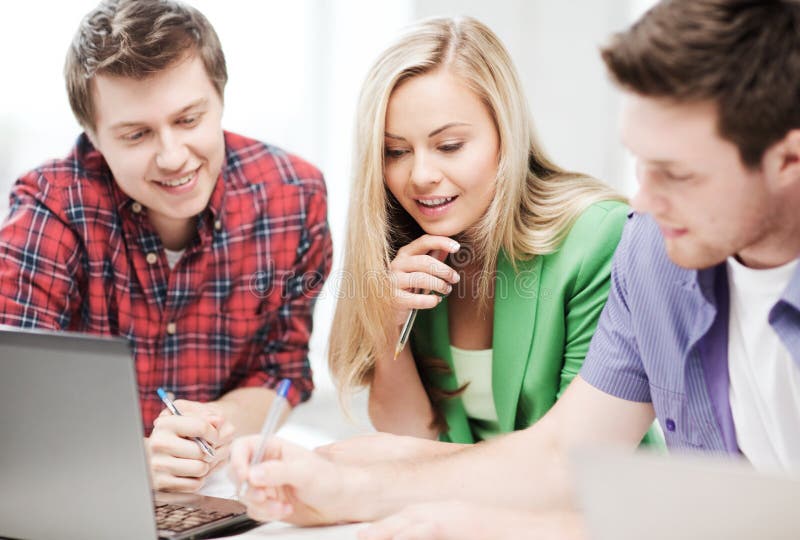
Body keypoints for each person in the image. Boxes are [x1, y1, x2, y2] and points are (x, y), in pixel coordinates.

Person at [229, 0, 800, 537]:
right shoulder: (654, 257)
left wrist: (482, 522)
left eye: (677, 174)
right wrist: (343, 485)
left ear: (788, 160)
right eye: (395, 150)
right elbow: (559, 459)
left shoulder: (607, 238)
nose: (642, 202)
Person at [0, 0, 332, 493]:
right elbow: (12, 398)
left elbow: (282, 373)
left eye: (189, 120)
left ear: (220, 98)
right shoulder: (51, 209)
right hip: (80, 492)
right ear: (94, 138)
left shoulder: (293, 197)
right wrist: (130, 461)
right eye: (136, 134)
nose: (173, 157)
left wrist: (214, 426)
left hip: (219, 491)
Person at [326, 15, 637, 447]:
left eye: (449, 146)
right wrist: (385, 326)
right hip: (465, 505)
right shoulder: (406, 249)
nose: (419, 176)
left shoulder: (598, 237)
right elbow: (411, 441)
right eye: (395, 151)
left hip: (589, 508)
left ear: (505, 136)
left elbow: (578, 456)